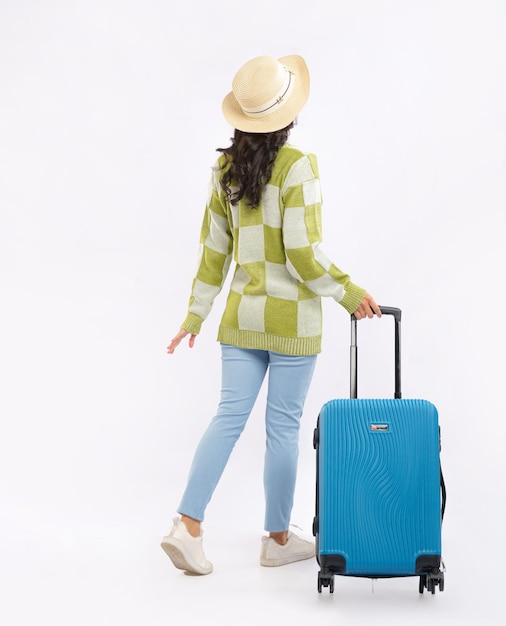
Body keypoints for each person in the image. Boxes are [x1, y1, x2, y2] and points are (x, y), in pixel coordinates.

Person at [160, 53, 381, 575]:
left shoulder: (223, 169)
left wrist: (194, 318)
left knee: (227, 417)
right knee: (282, 429)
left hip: (241, 318)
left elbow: (213, 253)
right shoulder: (298, 166)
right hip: (290, 323)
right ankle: (277, 540)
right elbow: (304, 256)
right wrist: (349, 292)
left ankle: (187, 527)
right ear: (288, 114)